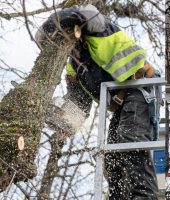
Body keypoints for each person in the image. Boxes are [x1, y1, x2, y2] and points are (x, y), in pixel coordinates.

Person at [37, 4, 160, 199]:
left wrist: (55, 23)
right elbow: (78, 103)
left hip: (140, 86)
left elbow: (90, 14)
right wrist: (63, 119)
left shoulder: (97, 34)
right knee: (111, 157)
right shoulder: (74, 67)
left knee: (130, 140)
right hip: (121, 103)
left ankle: (144, 196)